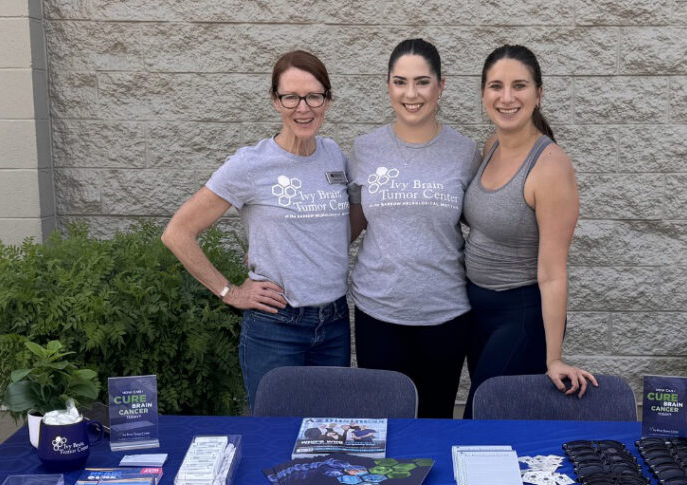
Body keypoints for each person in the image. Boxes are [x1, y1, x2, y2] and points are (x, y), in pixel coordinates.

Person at [162, 50, 351, 412]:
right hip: (276, 327)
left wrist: (279, 244)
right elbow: (178, 232)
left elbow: (335, 228)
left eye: (314, 96)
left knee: (329, 439)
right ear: (274, 100)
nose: (303, 108)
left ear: (327, 99)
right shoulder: (251, 164)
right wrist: (228, 291)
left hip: (334, 323)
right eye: (290, 97)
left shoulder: (334, 155)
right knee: (275, 440)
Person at [462, 45, 598, 418]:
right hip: (478, 310)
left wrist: (553, 358)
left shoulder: (551, 166)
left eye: (519, 86)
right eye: (496, 86)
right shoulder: (491, 146)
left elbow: (553, 273)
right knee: (499, 422)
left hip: (519, 316)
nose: (507, 98)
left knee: (480, 416)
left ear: (538, 94)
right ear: (483, 94)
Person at [347, 39, 480, 418]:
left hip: (446, 314)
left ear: (441, 86)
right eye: (400, 82)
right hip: (378, 312)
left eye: (422, 82)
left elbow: (485, 222)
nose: (411, 93)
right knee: (383, 428)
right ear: (388, 86)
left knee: (436, 420)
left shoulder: (465, 151)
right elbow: (349, 226)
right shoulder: (365, 149)